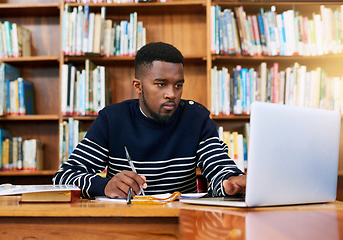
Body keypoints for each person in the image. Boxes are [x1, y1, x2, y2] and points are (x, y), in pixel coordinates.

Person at [53, 42, 246, 199]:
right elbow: (63, 178)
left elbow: (219, 166)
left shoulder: (197, 118)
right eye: (161, 84)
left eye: (178, 85)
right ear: (138, 86)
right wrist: (105, 186)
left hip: (180, 223)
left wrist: (230, 183)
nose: (172, 94)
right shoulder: (112, 119)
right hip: (124, 223)